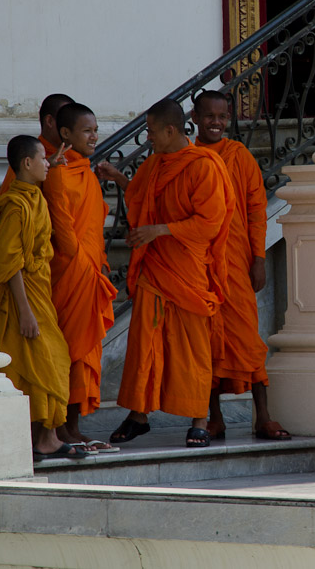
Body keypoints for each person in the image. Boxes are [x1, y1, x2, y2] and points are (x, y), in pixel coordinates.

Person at [110, 98, 236, 448]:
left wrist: (160, 231)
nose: (148, 138)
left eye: (151, 131)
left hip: (189, 271)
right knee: (144, 343)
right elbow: (139, 196)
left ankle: (199, 418)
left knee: (192, 348)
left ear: (170, 130)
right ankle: (139, 415)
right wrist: (119, 177)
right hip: (155, 268)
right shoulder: (154, 165)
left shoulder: (204, 166)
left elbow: (209, 223)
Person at [191, 91, 290, 441]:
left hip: (235, 263)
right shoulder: (187, 158)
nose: (215, 122)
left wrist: (259, 258)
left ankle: (263, 416)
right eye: (209, 116)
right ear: (194, 117)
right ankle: (213, 417)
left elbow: (255, 210)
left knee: (248, 340)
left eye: (222, 116)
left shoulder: (239, 156)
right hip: (199, 265)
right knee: (207, 344)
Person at [0, 135, 87, 462]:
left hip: (39, 291)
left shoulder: (33, 196)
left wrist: (53, 164)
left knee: (49, 360)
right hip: (24, 299)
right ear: (26, 164)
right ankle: (44, 438)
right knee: (46, 361)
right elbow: (9, 263)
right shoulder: (16, 206)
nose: (48, 162)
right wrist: (25, 312)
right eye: (42, 158)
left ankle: (47, 438)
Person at [43, 102, 120, 453]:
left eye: (95, 130)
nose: (94, 136)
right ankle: (58, 426)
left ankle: (74, 426)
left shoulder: (86, 171)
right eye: (86, 131)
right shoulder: (58, 173)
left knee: (85, 353)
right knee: (68, 352)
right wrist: (84, 261)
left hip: (89, 269)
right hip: (71, 270)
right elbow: (65, 234)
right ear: (65, 134)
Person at [0, 92, 75, 194]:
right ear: (49, 121)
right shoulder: (29, 154)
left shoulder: (75, 158)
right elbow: (13, 200)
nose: (72, 127)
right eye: (66, 120)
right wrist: (47, 166)